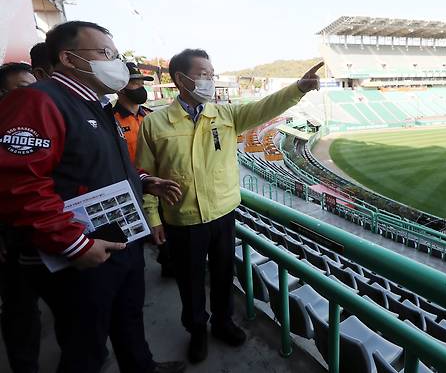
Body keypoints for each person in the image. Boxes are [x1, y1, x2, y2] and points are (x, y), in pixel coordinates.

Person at [0, 20, 186, 373]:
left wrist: (144, 181)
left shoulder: (96, 105)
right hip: (84, 254)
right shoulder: (37, 101)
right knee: (85, 344)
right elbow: (18, 184)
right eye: (106, 53)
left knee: (128, 318)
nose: (116, 62)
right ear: (68, 58)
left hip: (121, 241)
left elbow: (99, 166)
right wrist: (75, 244)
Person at [136, 48, 322, 364]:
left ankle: (223, 322)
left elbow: (266, 107)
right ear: (181, 79)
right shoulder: (155, 124)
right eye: (203, 74)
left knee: (224, 275)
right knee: (190, 281)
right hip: (182, 220)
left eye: (212, 73)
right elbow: (145, 175)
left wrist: (299, 88)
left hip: (223, 214)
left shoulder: (225, 115)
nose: (210, 79)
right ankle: (196, 330)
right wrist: (153, 217)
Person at [114, 63, 174, 277]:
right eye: (134, 82)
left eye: (142, 82)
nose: (140, 87)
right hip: (129, 187)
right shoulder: (110, 120)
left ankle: (168, 263)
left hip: (157, 185)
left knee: (165, 232)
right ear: (120, 87)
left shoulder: (151, 116)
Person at [0, 60, 40, 373]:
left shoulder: (43, 129)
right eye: (23, 90)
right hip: (11, 243)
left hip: (50, 238)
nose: (34, 96)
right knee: (20, 312)